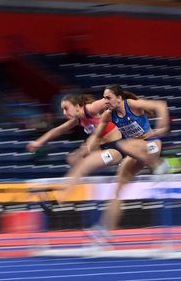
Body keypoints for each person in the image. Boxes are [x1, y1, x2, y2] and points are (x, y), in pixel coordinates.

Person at [84, 84, 170, 237]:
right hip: (135, 151)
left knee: (123, 144)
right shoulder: (108, 115)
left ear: (119, 98)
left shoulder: (132, 105)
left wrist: (163, 126)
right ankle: (105, 228)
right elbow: (96, 136)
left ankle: (159, 164)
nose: (105, 101)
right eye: (103, 98)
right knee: (118, 187)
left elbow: (160, 105)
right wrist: (92, 148)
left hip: (151, 146)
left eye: (108, 97)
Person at [27, 94, 119, 166]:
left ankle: (116, 161)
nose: (64, 113)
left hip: (115, 144)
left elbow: (109, 99)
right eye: (62, 110)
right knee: (73, 159)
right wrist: (38, 142)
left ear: (77, 106)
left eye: (66, 108)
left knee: (90, 143)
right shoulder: (78, 119)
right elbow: (57, 130)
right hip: (103, 147)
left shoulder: (90, 109)